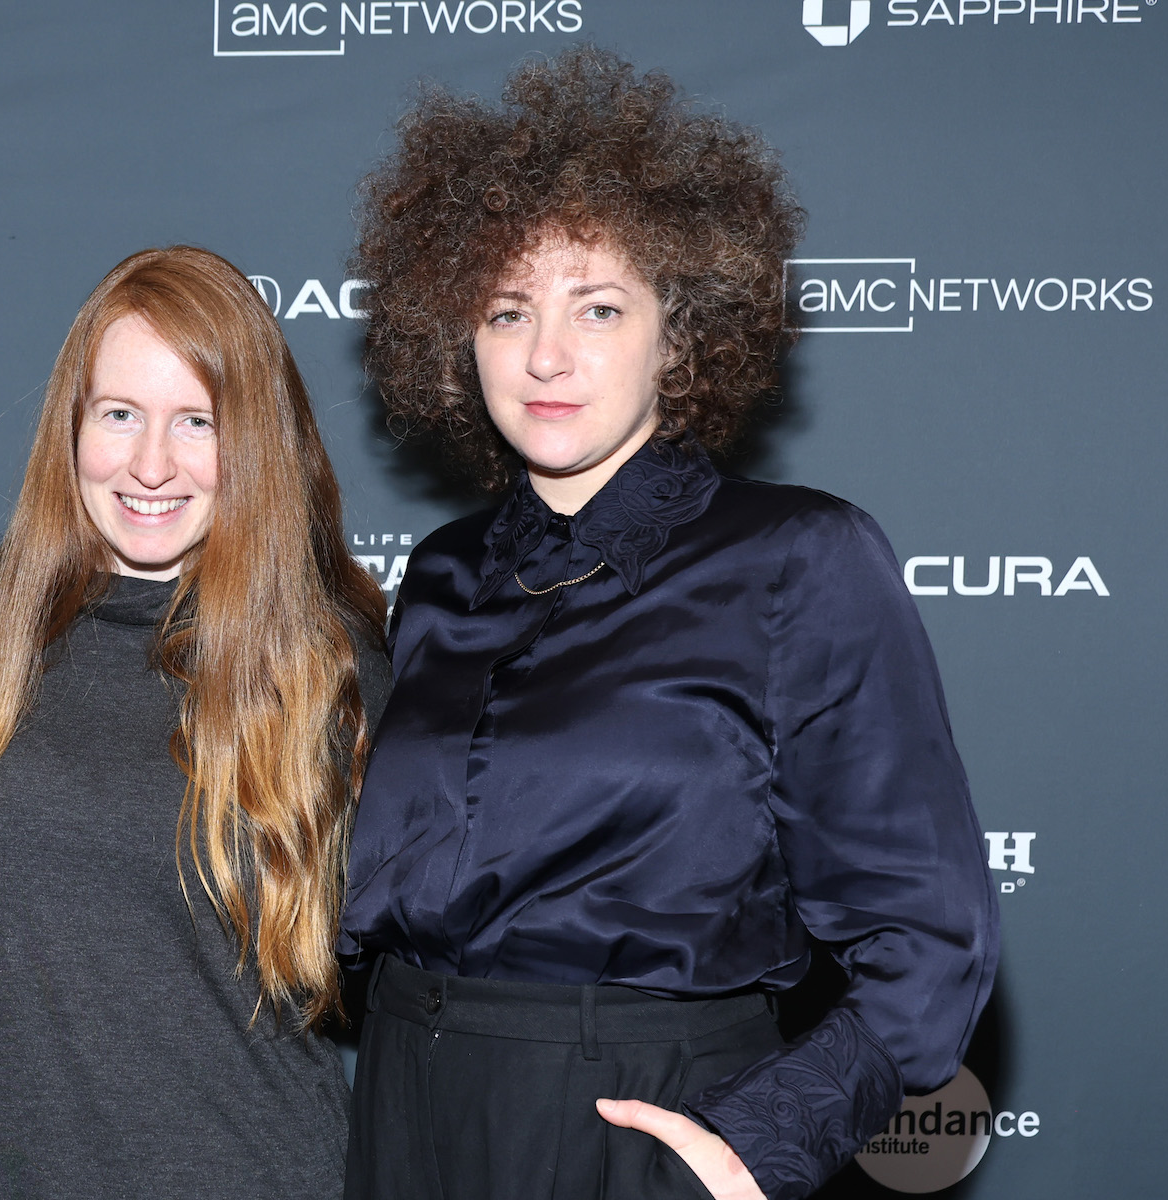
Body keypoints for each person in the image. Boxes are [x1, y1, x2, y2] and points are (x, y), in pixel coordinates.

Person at [337, 49, 998, 1200]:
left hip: (641, 1118)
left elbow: (931, 937)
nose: (547, 354)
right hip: (409, 1102)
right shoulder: (442, 574)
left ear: (679, 336)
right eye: (507, 309)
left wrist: (758, 1144)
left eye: (599, 307)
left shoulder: (798, 556)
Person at [0, 246, 390, 1200]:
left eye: (199, 422)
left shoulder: (326, 664)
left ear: (256, 442)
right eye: (120, 415)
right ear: (72, 424)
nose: (151, 465)